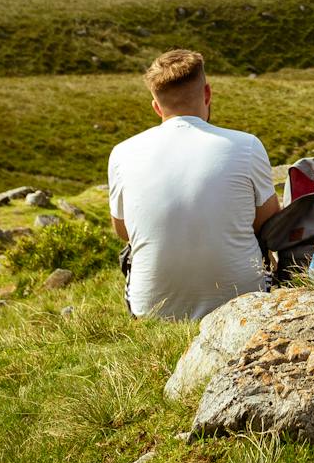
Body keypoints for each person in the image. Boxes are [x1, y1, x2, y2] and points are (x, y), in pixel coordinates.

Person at [107, 48, 281, 320]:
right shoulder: (247, 145)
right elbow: (267, 223)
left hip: (151, 311)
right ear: (207, 94)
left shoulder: (122, 153)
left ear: (156, 107)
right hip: (243, 301)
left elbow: (124, 231)